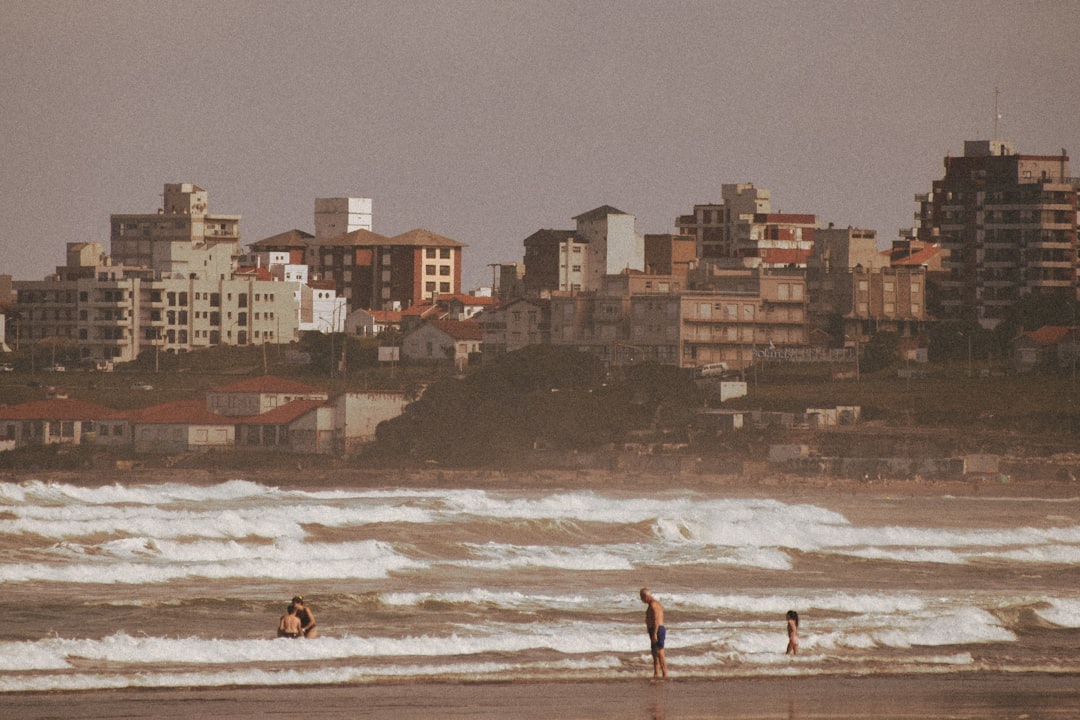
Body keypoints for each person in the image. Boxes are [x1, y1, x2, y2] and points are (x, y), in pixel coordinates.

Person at [639, 587, 667, 678]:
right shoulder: (653, 604)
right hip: (655, 629)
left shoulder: (654, 605)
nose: (641, 600)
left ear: (646, 596)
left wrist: (654, 633)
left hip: (657, 629)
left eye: (641, 597)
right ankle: (656, 673)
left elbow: (656, 619)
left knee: (659, 652)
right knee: (654, 653)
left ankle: (665, 673)